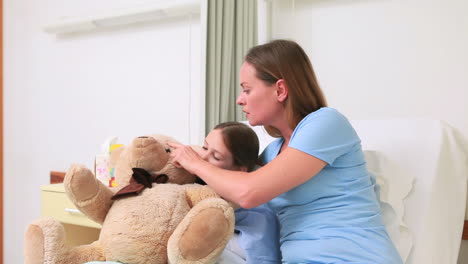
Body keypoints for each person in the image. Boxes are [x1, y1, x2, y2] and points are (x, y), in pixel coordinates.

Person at [169, 39, 403, 263]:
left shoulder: (326, 124)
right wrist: (193, 158)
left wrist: (196, 163)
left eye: (247, 90)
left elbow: (248, 191)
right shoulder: (272, 154)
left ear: (280, 89)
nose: (240, 100)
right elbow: (232, 176)